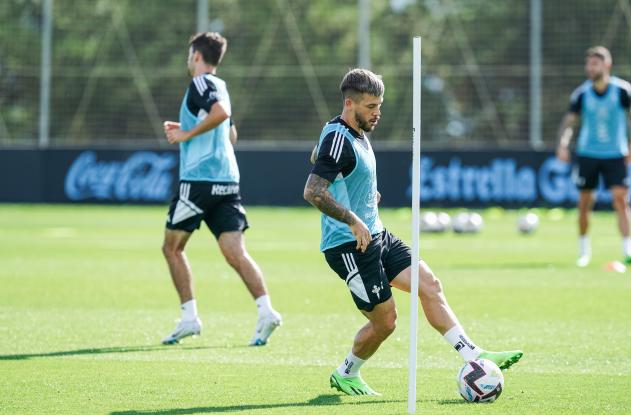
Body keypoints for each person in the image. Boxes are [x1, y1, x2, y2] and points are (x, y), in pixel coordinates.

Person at [303, 68, 523, 396]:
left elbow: (325, 161)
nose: (377, 113)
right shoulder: (338, 135)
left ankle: (474, 355)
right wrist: (352, 218)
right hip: (349, 245)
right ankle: (346, 372)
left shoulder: (354, 131)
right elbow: (313, 191)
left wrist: (365, 199)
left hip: (376, 234)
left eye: (380, 105)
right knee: (385, 322)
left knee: (430, 285)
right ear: (349, 104)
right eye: (370, 107)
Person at [161, 32, 282, 345]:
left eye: (190, 55)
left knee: (172, 248)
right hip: (227, 181)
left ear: (198, 56)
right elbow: (231, 135)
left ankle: (189, 318)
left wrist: (187, 135)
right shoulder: (222, 86)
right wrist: (192, 132)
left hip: (199, 180)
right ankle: (267, 311)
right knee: (235, 253)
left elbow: (221, 115)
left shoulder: (201, 83)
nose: (189, 60)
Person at [556, 46, 631, 267]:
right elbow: (569, 121)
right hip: (588, 154)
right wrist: (563, 143)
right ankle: (584, 251)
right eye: (588, 64)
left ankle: (628, 250)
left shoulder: (623, 90)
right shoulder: (581, 94)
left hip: (616, 153)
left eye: (594, 64)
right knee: (585, 203)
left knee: (621, 199)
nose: (589, 68)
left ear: (607, 65)